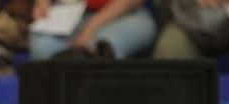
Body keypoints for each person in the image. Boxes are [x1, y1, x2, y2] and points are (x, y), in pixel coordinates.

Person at [28, 0, 156, 60]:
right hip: (69, 14)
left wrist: (90, 28)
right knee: (43, 47)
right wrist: (41, 3)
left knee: (104, 47)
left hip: (124, 15)